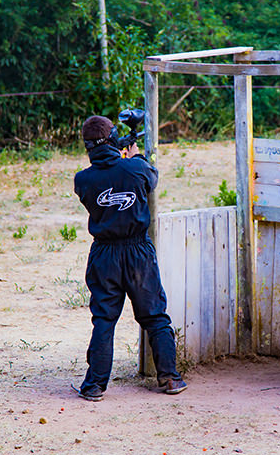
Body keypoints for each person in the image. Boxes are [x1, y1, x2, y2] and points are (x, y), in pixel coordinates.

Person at [72, 114, 187, 402]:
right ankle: (170, 378)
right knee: (155, 316)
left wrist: (123, 158)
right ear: (111, 140)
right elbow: (150, 178)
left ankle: (95, 386)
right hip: (138, 252)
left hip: (104, 254)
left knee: (104, 319)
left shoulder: (82, 180)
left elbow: (104, 175)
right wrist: (135, 157)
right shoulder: (135, 169)